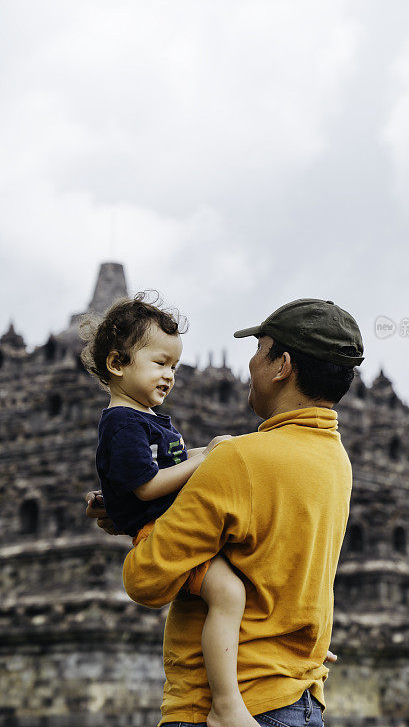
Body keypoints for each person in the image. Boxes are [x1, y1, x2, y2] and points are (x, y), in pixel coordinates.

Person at [86, 297, 364, 727]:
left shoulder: (239, 460)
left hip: (226, 706)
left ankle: (224, 703)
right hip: (303, 700)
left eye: (258, 350)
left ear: (282, 365)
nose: (249, 365)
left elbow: (146, 579)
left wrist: (137, 527)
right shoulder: (336, 462)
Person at [81, 293, 255, 727]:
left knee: (246, 584)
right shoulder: (122, 422)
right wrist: (204, 460)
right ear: (117, 364)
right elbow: (146, 485)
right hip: (163, 537)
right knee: (230, 595)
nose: (170, 376)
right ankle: (226, 705)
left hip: (179, 528)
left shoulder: (147, 418)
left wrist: (212, 449)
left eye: (174, 367)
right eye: (160, 363)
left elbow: (167, 464)